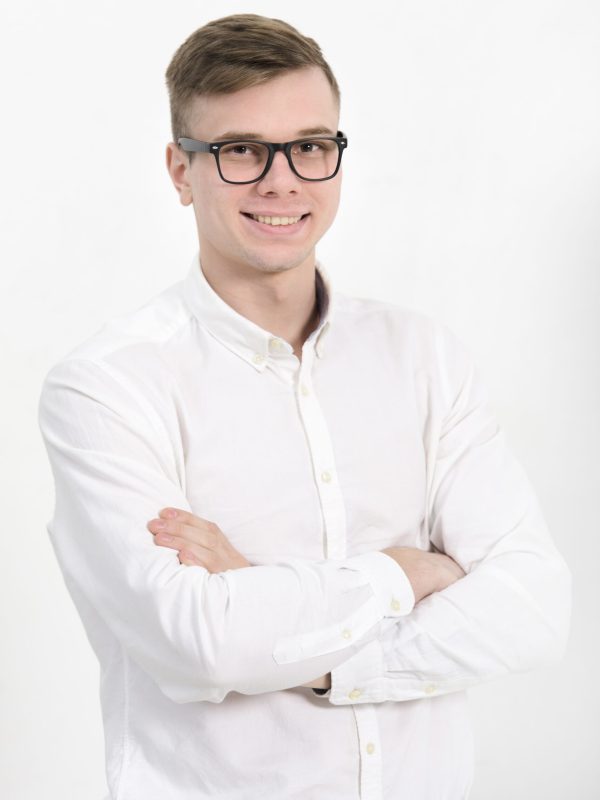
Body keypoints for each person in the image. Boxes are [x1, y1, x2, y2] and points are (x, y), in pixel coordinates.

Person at [38, 13, 571, 800]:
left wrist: (281, 617)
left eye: (311, 146)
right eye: (241, 150)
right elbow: (201, 643)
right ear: (181, 172)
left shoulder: (423, 357)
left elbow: (533, 609)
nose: (282, 181)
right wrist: (402, 573)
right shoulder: (107, 387)